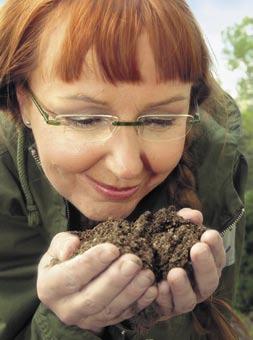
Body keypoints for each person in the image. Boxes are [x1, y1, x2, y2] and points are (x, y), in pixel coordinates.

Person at [0, 0, 248, 339]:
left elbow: (219, 319)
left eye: (161, 120)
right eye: (85, 119)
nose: (127, 167)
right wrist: (66, 325)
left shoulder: (216, 158)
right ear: (23, 102)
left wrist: (160, 319)